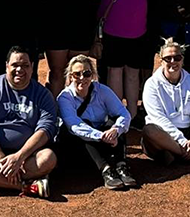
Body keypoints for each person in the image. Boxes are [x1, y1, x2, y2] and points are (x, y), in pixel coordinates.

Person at [0, 48, 59, 198]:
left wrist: (19, 157)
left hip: (27, 156)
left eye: (25, 65)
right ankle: (27, 186)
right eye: (15, 65)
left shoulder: (42, 94)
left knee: (48, 158)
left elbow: (46, 128)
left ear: (32, 67)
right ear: (7, 66)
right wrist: (0, 159)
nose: (20, 69)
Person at [92, 0, 153, 119]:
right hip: (112, 29)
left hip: (138, 30)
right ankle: (119, 116)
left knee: (133, 73)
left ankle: (133, 115)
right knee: (115, 72)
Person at [56, 55, 136, 190]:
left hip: (104, 142)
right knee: (84, 126)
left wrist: (115, 130)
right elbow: (74, 126)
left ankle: (121, 166)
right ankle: (106, 169)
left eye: (86, 74)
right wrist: (101, 137)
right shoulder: (65, 97)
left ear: (92, 75)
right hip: (78, 147)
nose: (82, 78)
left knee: (115, 122)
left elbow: (123, 113)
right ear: (70, 77)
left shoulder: (102, 90)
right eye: (77, 74)